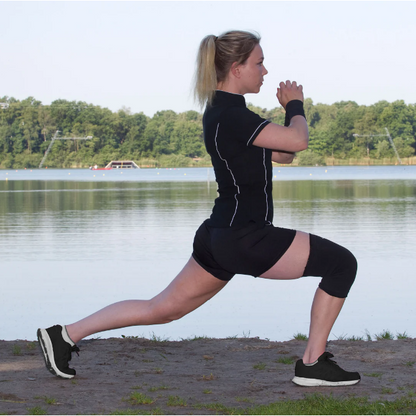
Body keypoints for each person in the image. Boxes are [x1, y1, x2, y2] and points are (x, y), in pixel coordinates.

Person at [37, 30, 360, 387]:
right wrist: (296, 105)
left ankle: (64, 335)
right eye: (259, 63)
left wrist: (285, 123)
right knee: (341, 264)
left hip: (220, 235)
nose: (265, 72)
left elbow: (283, 153)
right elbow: (297, 140)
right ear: (236, 68)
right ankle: (313, 363)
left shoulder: (225, 113)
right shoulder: (232, 116)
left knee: (162, 308)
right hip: (245, 236)